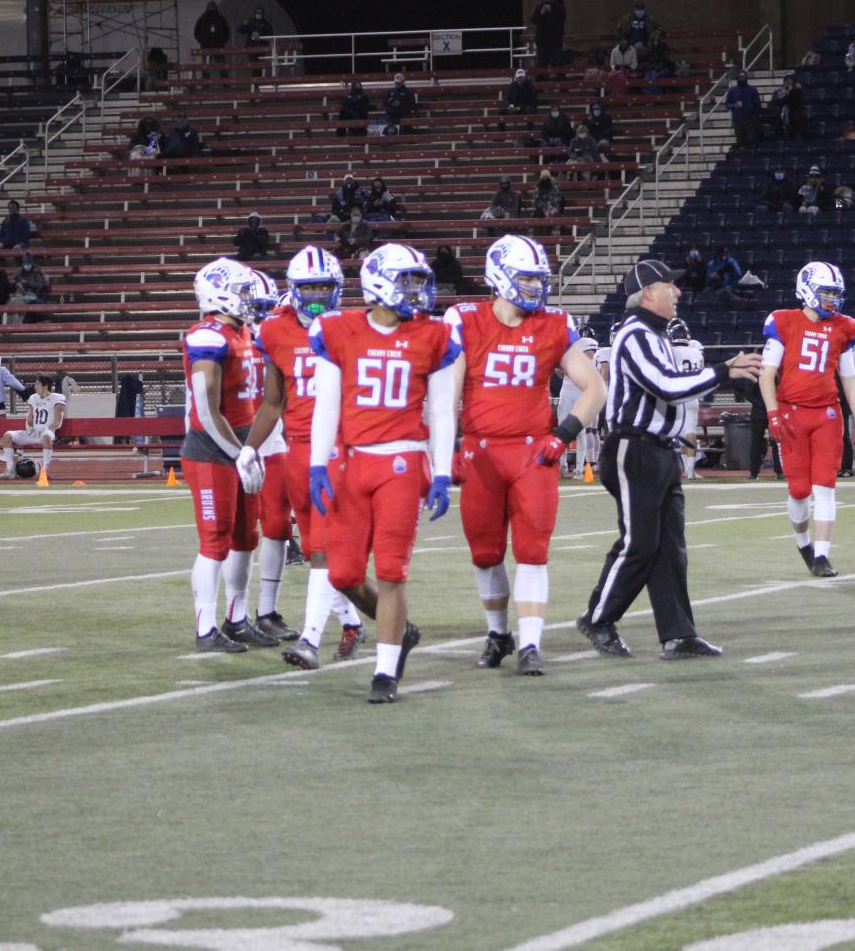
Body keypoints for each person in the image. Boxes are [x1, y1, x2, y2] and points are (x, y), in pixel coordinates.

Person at [575, 259, 761, 659]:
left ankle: (678, 634)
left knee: (670, 547)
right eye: (668, 286)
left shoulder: (655, 335)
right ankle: (598, 617)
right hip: (633, 449)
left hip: (658, 449)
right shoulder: (635, 334)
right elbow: (666, 387)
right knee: (640, 543)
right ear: (647, 293)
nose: (677, 292)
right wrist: (724, 370)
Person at [446, 235, 607, 676]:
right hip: (481, 451)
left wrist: (564, 433)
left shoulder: (554, 324)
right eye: (526, 278)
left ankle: (531, 644)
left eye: (539, 279)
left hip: (533, 451)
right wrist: (447, 449)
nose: (536, 287)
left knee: (534, 550)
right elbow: (447, 394)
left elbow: (595, 387)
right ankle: (498, 633)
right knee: (485, 552)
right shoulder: (466, 320)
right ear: (499, 276)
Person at [307, 243, 460, 704]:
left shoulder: (433, 335)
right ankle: (401, 632)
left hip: (403, 459)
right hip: (354, 462)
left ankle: (386, 671)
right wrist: (317, 463)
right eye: (406, 280)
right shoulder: (339, 329)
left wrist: (441, 471)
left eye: (417, 280)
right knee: (343, 573)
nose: (417, 290)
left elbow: (442, 410)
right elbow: (327, 405)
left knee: (392, 570)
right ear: (377, 283)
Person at [239, 248, 375, 664]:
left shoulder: (354, 327)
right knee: (319, 546)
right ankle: (363, 623)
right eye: (309, 287)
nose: (317, 295)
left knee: (327, 549)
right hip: (300, 448)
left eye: (324, 286)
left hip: (343, 448)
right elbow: (272, 401)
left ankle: (313, 638)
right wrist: (249, 446)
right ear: (294, 290)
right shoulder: (275, 331)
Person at [178, 259, 277, 653]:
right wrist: (240, 454)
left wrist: (252, 450)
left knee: (245, 539)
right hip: (212, 449)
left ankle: (237, 618)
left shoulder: (244, 331)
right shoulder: (207, 336)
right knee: (215, 541)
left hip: (243, 447)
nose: (248, 300)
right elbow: (205, 410)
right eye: (242, 292)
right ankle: (206, 627)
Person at [760, 262, 855, 577]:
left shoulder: (844, 327)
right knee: (798, 490)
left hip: (827, 415)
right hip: (792, 412)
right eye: (826, 292)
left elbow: (849, 379)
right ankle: (804, 543)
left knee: (825, 486)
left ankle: (822, 556)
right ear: (807, 289)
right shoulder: (784, 321)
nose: (832, 299)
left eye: (835, 293)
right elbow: (767, 375)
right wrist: (772, 413)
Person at [0, 373, 63, 480]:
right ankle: (10, 470)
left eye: (37, 384)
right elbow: (30, 416)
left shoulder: (57, 398)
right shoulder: (33, 398)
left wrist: (47, 429)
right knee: (8, 435)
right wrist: (29, 428)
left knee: (47, 437)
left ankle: (44, 470)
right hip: (33, 432)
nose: (35, 387)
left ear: (45, 386)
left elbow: (58, 422)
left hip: (47, 432)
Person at [557, 337, 602, 480]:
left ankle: (579, 470)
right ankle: (562, 466)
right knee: (562, 429)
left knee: (580, 431)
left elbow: (589, 360)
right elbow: (561, 373)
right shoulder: (565, 345)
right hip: (567, 389)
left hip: (580, 390)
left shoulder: (585, 343)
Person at [668, 318, 706, 480]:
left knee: (681, 434)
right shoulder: (696, 352)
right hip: (691, 395)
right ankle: (690, 470)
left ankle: (686, 469)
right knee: (690, 432)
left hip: (676, 395)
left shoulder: (669, 351)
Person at [6, 252, 50, 325]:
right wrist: (16, 283)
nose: (27, 265)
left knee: (18, 303)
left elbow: (40, 285)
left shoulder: (37, 271)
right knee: (12, 302)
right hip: (21, 294)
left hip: (33, 295)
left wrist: (28, 283)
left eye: (28, 263)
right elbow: (11, 280)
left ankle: (17, 324)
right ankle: (11, 324)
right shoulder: (20, 271)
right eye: (25, 263)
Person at [724, 70, 762, 148]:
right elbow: (727, 105)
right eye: (740, 77)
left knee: (751, 142)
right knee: (740, 142)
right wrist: (734, 105)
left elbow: (758, 105)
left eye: (743, 77)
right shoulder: (732, 90)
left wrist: (755, 118)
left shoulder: (752, 90)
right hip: (738, 120)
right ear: (737, 78)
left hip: (750, 120)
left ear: (746, 78)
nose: (742, 79)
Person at [529, 0, 566, 67]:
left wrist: (551, 12)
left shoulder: (559, 7)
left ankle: (560, 79)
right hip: (542, 41)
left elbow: (562, 19)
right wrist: (542, 13)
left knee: (558, 63)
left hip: (555, 41)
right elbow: (533, 20)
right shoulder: (540, 7)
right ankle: (541, 79)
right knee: (541, 64)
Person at [772, 73, 806, 140]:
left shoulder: (797, 91)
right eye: (786, 80)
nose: (788, 82)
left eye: (790, 80)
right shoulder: (778, 91)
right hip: (782, 120)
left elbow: (796, 101)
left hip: (795, 120)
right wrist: (786, 93)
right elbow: (777, 102)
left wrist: (790, 91)